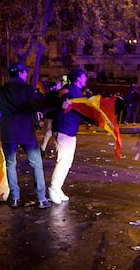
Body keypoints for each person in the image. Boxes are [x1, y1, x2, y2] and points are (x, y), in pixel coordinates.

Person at [0, 62, 51, 209]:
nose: (26, 74)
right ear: (20, 73)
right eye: (25, 72)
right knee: (36, 164)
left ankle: (15, 198)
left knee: (10, 164)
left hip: (8, 131)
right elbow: (37, 105)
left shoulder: (0, 91)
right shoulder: (27, 89)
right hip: (26, 131)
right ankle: (41, 198)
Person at [48, 68, 87, 204]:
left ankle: (58, 188)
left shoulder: (76, 91)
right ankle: (53, 188)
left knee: (67, 162)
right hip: (63, 129)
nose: (86, 79)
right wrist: (65, 104)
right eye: (84, 77)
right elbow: (62, 103)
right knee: (63, 161)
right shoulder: (69, 90)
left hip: (70, 129)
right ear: (78, 78)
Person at [40, 81, 62, 155]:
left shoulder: (47, 95)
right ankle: (58, 149)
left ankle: (43, 148)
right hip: (54, 116)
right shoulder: (56, 94)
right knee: (54, 133)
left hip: (48, 116)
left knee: (48, 133)